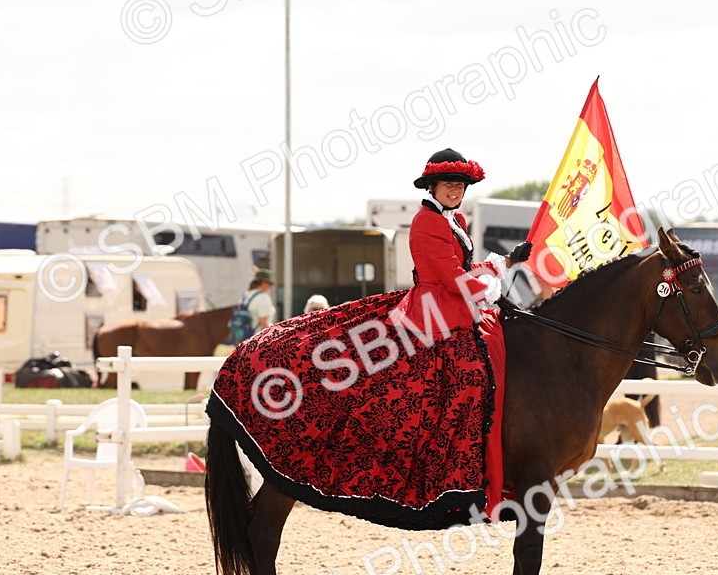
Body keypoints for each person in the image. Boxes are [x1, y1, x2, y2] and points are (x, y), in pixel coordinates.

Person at [208, 147, 532, 528]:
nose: (455, 191)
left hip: (453, 307)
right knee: (462, 376)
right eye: (448, 184)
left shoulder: (454, 219)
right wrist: (489, 285)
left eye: (461, 186)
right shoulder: (426, 222)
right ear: (433, 185)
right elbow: (450, 277)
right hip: (433, 311)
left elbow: (463, 268)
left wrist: (504, 263)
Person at [242, 270, 277, 334]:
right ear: (263, 282)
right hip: (257, 337)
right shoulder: (263, 297)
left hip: (244, 336)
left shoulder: (246, 295)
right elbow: (263, 324)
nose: (270, 287)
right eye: (269, 284)